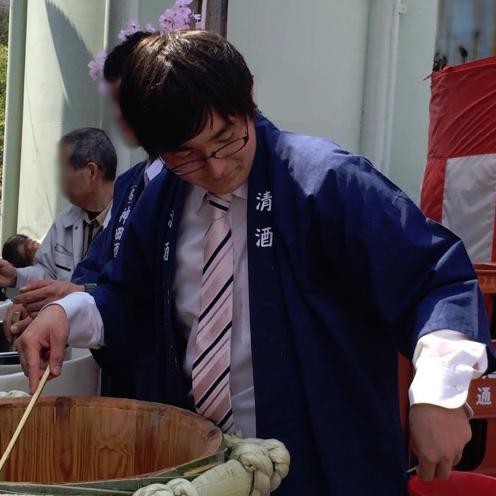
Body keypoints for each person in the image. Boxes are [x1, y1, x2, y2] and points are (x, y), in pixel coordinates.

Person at [16, 31, 496, 495]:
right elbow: (130, 301)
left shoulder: (326, 182)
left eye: (226, 139)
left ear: (247, 97)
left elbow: (435, 279)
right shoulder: (164, 195)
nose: (216, 168)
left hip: (321, 465)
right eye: (187, 155)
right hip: (205, 471)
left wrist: (438, 392)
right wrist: (66, 315)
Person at [8, 32, 163, 397]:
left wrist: (75, 295)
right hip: (109, 361)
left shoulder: (172, 186)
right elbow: (85, 275)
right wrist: (32, 288)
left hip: (149, 369)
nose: (121, 114)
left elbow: (146, 292)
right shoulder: (131, 186)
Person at [0, 127, 116, 340]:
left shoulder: (131, 217)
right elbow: (47, 273)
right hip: (66, 342)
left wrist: (73, 293)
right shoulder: (65, 220)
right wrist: (17, 276)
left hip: (112, 342)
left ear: (91, 171)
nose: (58, 179)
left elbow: (124, 291)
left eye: (63, 171)